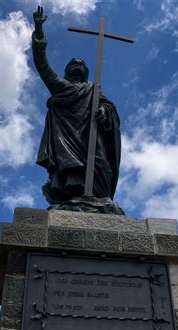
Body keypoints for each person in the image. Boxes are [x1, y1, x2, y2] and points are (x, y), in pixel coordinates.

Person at [32, 6, 123, 214]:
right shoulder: (60, 86)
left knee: (102, 167)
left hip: (90, 135)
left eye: (81, 63)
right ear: (66, 70)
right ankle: (73, 201)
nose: (77, 64)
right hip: (66, 139)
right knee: (70, 175)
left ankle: (98, 201)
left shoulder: (93, 89)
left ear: (85, 72)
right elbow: (41, 63)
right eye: (73, 62)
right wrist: (38, 29)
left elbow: (109, 107)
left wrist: (103, 112)